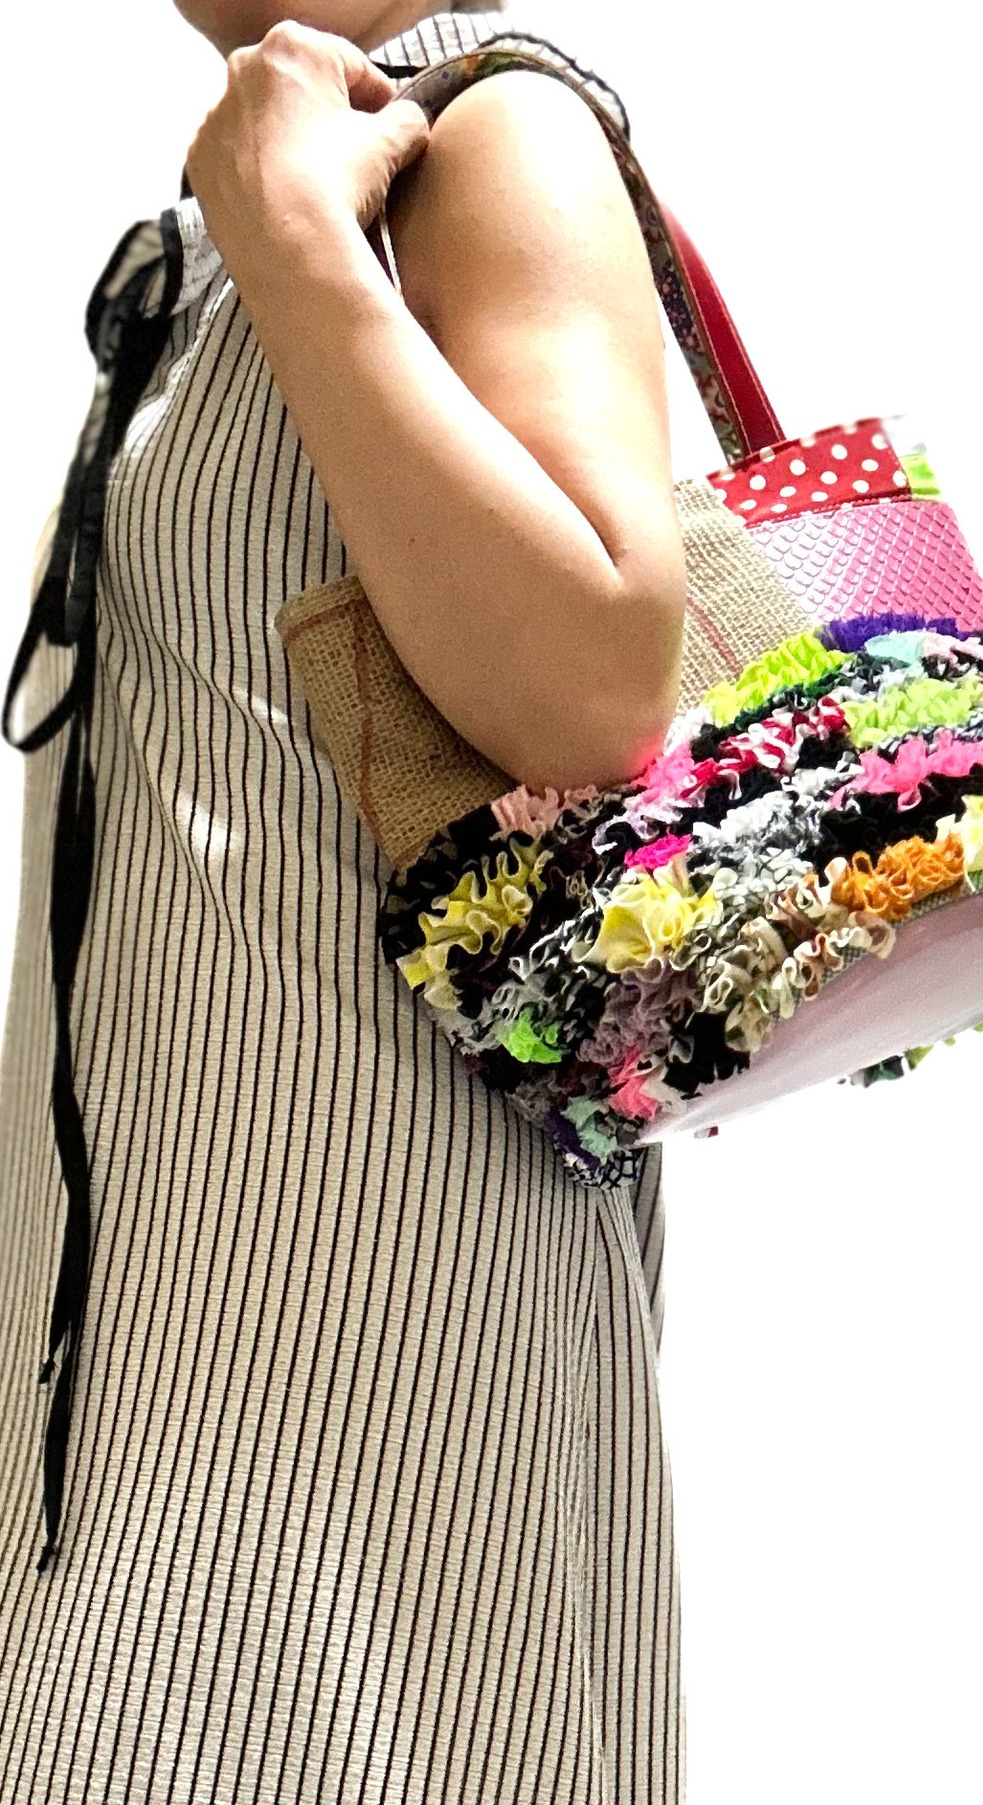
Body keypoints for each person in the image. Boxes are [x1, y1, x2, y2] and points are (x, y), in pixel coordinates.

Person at [0, 5, 688, 1799]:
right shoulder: (232, 214)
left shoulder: (487, 136)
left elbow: (593, 685)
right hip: (132, 1367)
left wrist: (302, 233)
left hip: (370, 1396)